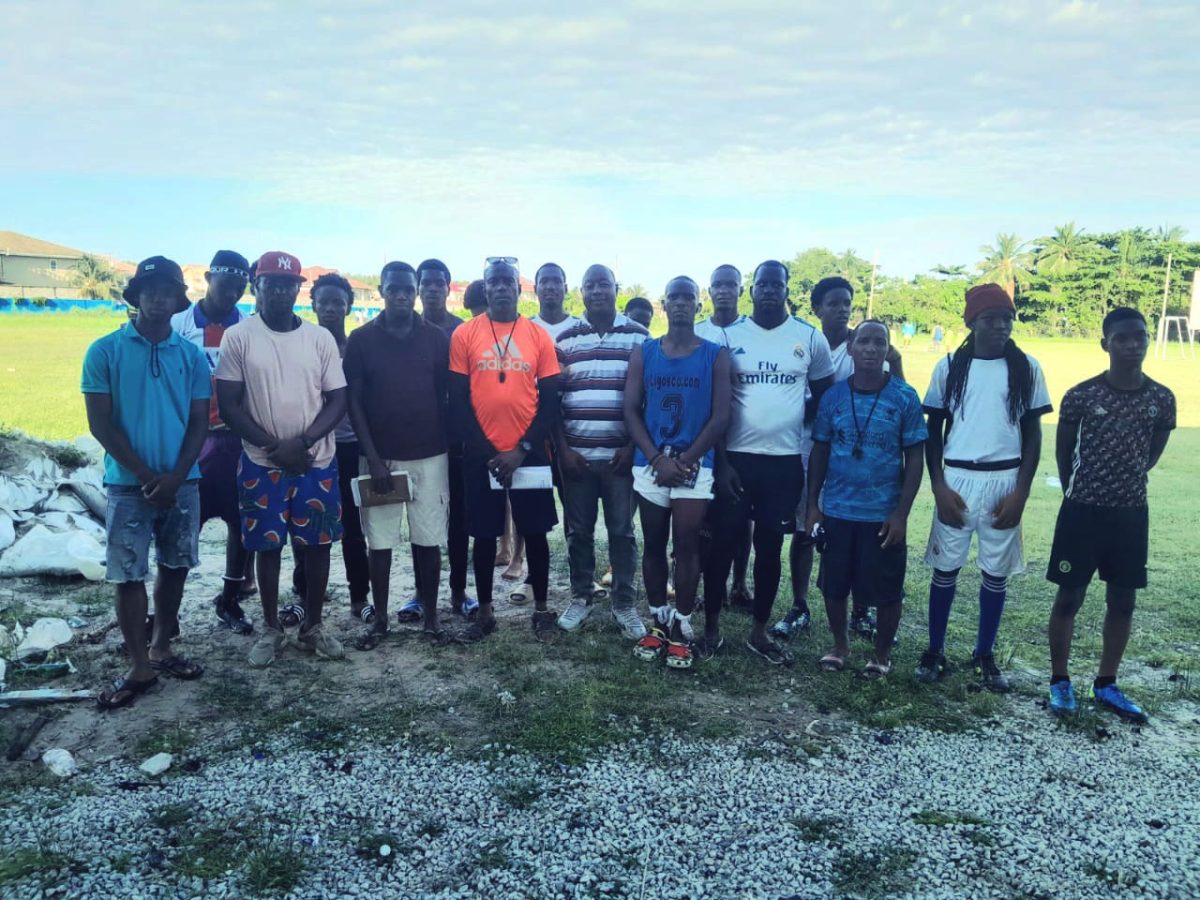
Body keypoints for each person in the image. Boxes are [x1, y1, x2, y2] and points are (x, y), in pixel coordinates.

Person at [84, 256, 210, 709]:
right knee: (129, 573)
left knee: (175, 567)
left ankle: (162, 647)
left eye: (168, 292)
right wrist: (143, 474)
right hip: (126, 485)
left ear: (178, 300)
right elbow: (100, 423)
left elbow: (199, 422)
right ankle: (139, 664)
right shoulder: (104, 351)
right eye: (150, 290)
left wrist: (176, 476)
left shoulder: (192, 356)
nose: (159, 298)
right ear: (136, 297)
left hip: (183, 482)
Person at [916, 283, 1052, 691]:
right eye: (991, 319)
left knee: (995, 573)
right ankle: (934, 649)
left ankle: (984, 652)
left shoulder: (1026, 367)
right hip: (957, 477)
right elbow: (933, 429)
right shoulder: (949, 367)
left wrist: (1021, 492)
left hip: (1004, 479)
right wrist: (938, 484)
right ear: (971, 322)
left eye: (1007, 319)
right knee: (946, 569)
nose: (1001, 327)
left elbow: (1033, 434)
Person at [216, 251, 348, 667]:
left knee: (317, 545)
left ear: (298, 290)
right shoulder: (239, 337)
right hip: (261, 462)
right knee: (266, 546)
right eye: (270, 282)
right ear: (257, 286)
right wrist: (276, 447)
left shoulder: (319, 339)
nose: (279, 291)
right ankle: (272, 628)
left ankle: (312, 627)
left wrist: (305, 442)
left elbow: (337, 399)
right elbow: (230, 404)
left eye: (287, 284)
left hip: (316, 461)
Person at [1046, 309, 1175, 721]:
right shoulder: (1081, 395)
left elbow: (1151, 454)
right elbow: (1063, 450)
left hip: (1131, 514)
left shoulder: (1161, 398)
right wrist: (1077, 489)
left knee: (1123, 601)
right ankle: (1060, 681)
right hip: (1081, 511)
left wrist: (1124, 482)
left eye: (1139, 337)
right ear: (1106, 344)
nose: (1132, 345)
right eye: (1122, 338)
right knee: (1069, 597)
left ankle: (1107, 684)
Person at [706, 261, 835, 665]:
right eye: (761, 284)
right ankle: (710, 628)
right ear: (752, 290)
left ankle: (759, 631)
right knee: (722, 544)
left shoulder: (809, 338)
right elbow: (717, 405)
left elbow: (824, 397)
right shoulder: (729, 335)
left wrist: (788, 417)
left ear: (786, 289)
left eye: (775, 284)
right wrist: (722, 463)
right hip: (735, 462)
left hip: (783, 463)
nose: (767, 291)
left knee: (769, 548)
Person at [772, 276, 905, 641]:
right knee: (805, 529)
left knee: (859, 534)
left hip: (855, 463)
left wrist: (897, 360)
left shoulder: (863, 344)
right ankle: (800, 605)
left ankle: (861, 609)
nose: (842, 308)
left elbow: (896, 394)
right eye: (833, 303)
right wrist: (826, 401)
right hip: (807, 448)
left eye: (847, 302)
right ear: (816, 308)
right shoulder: (805, 344)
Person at [449, 259, 562, 641]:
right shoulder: (465, 334)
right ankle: (484, 612)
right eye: (493, 281)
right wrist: (488, 451)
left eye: (507, 281)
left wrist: (522, 448)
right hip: (483, 454)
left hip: (529, 453)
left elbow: (549, 400)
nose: (500, 288)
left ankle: (543, 610)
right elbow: (459, 399)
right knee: (482, 535)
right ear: (485, 286)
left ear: (519, 288)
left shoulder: (537, 336)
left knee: (535, 533)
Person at [806, 321, 926, 676]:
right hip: (839, 509)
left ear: (888, 350)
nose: (872, 349)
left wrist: (901, 514)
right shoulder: (834, 397)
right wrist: (814, 505)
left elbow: (915, 456)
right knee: (834, 584)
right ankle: (839, 645)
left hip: (882, 512)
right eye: (864, 342)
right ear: (851, 349)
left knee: (888, 588)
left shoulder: (904, 397)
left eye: (879, 342)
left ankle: (882, 654)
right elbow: (820, 451)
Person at [624, 276, 731, 669]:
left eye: (689, 296)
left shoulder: (716, 355)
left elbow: (721, 416)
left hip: (695, 467)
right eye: (675, 297)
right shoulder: (645, 352)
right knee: (653, 543)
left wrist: (685, 461)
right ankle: (658, 621)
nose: (682, 303)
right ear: (664, 304)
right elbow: (631, 410)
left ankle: (683, 623)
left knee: (686, 545)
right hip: (651, 464)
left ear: (697, 305)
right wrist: (656, 459)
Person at [345, 261, 452, 650]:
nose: (403, 295)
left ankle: (432, 618)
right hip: (380, 459)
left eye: (409, 289)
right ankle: (382, 620)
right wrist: (372, 458)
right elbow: (353, 402)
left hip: (430, 455)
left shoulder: (437, 338)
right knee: (381, 542)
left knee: (428, 540)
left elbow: (446, 394)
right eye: (394, 289)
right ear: (382, 292)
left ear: (418, 291)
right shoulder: (361, 340)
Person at [554, 264, 649, 639]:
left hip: (620, 460)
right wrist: (563, 450)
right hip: (576, 457)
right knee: (578, 531)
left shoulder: (639, 337)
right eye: (590, 285)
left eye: (604, 284)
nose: (597, 291)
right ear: (580, 292)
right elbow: (552, 403)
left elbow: (647, 401)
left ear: (616, 288)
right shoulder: (564, 339)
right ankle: (581, 596)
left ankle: (623, 604)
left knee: (622, 533)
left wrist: (631, 447)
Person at [170, 250, 256, 635]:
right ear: (207, 278)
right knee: (184, 527)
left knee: (242, 525)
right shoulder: (176, 325)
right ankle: (167, 612)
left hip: (237, 441)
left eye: (240, 286)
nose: (233, 293)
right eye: (226, 284)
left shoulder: (251, 327)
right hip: (193, 441)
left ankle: (230, 599)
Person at [290, 273, 371, 626]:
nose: (330, 308)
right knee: (306, 527)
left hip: (349, 446)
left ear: (348, 306)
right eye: (324, 301)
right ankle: (304, 598)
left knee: (353, 527)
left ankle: (359, 597)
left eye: (338, 302)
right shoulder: (301, 345)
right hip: (310, 449)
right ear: (313, 305)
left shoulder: (356, 348)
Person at [409, 258, 476, 621]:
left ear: (448, 288)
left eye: (439, 283)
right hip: (418, 439)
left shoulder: (462, 331)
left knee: (458, 520)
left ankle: (458, 591)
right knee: (420, 518)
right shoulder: (407, 328)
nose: (433, 288)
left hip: (457, 438)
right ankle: (421, 590)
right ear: (418, 287)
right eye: (427, 282)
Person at [696, 264, 753, 612]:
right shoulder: (698, 332)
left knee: (740, 517)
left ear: (740, 290)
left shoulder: (752, 332)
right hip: (701, 440)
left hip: (742, 440)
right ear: (709, 291)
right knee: (701, 517)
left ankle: (740, 582)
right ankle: (700, 584)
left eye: (731, 284)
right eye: (717, 284)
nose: (724, 290)